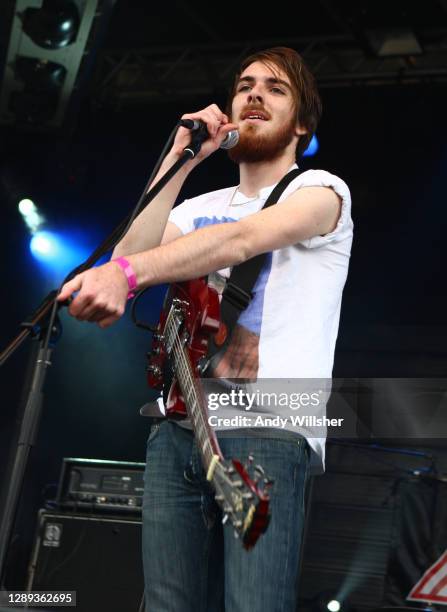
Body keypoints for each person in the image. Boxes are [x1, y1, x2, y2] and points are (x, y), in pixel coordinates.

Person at [58, 47, 353, 611]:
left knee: (253, 605)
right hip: (177, 429)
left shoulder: (322, 191)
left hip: (269, 430)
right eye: (245, 85)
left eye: (275, 88)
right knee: (166, 604)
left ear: (302, 123)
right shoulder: (200, 205)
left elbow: (239, 241)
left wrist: (124, 273)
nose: (254, 95)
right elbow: (132, 252)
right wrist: (182, 158)